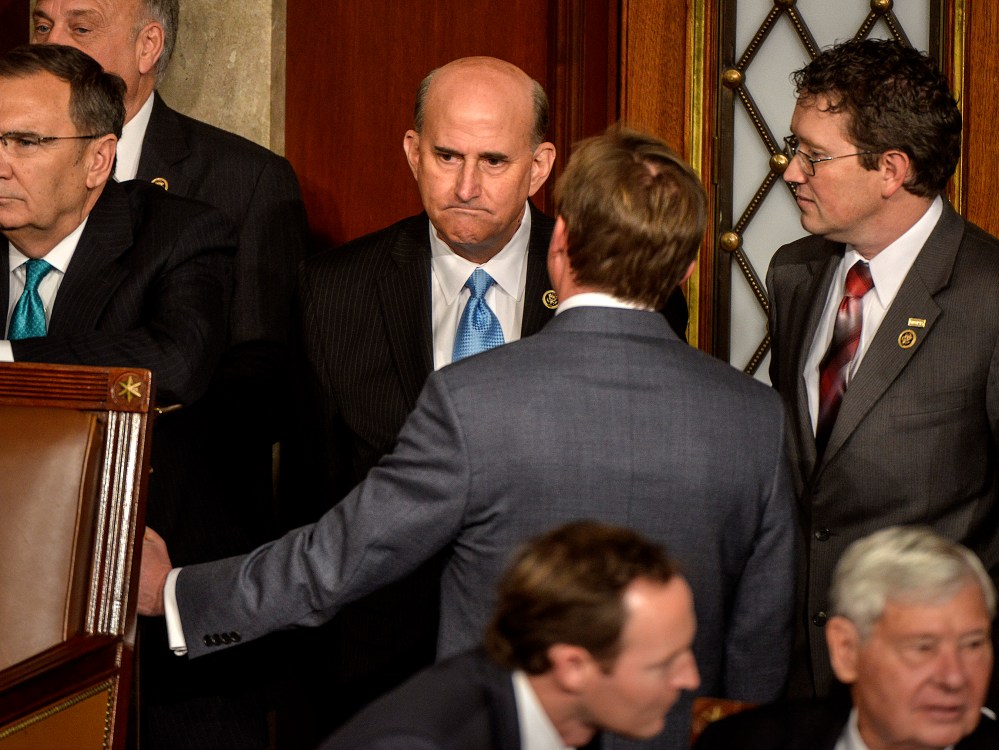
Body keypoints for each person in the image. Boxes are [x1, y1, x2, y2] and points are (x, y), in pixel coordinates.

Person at [140, 124, 796, 750]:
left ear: (559, 241)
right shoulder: (756, 418)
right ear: (685, 269)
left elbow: (335, 559)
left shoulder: (471, 399)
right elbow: (759, 640)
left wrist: (180, 595)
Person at [289, 55, 690, 732]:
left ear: (539, 168)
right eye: (446, 156)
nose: (465, 186)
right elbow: (311, 498)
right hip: (383, 675)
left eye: (493, 162)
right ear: (413, 152)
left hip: (573, 672)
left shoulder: (618, 286)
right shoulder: (333, 290)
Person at [30, 2, 310, 746]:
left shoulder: (242, 180)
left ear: (149, 44)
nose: (54, 42)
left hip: (172, 564)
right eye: (41, 22)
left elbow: (266, 382)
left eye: (80, 26)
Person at [767, 37, 999, 698]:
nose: (790, 172)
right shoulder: (795, 271)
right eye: (794, 148)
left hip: (928, 685)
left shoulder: (987, 295)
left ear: (890, 169)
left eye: (813, 155)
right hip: (800, 675)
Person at [321, 521, 700, 750]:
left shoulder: (572, 716)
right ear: (572, 667)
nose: (692, 678)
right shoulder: (418, 745)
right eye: (664, 663)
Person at [0, 43, 230, 397]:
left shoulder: (177, 235)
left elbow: (175, 363)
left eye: (26, 142)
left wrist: (9, 359)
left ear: (98, 160)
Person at [695, 526, 999, 750]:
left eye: (972, 645)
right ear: (846, 649)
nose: (954, 677)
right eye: (923, 648)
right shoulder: (741, 744)